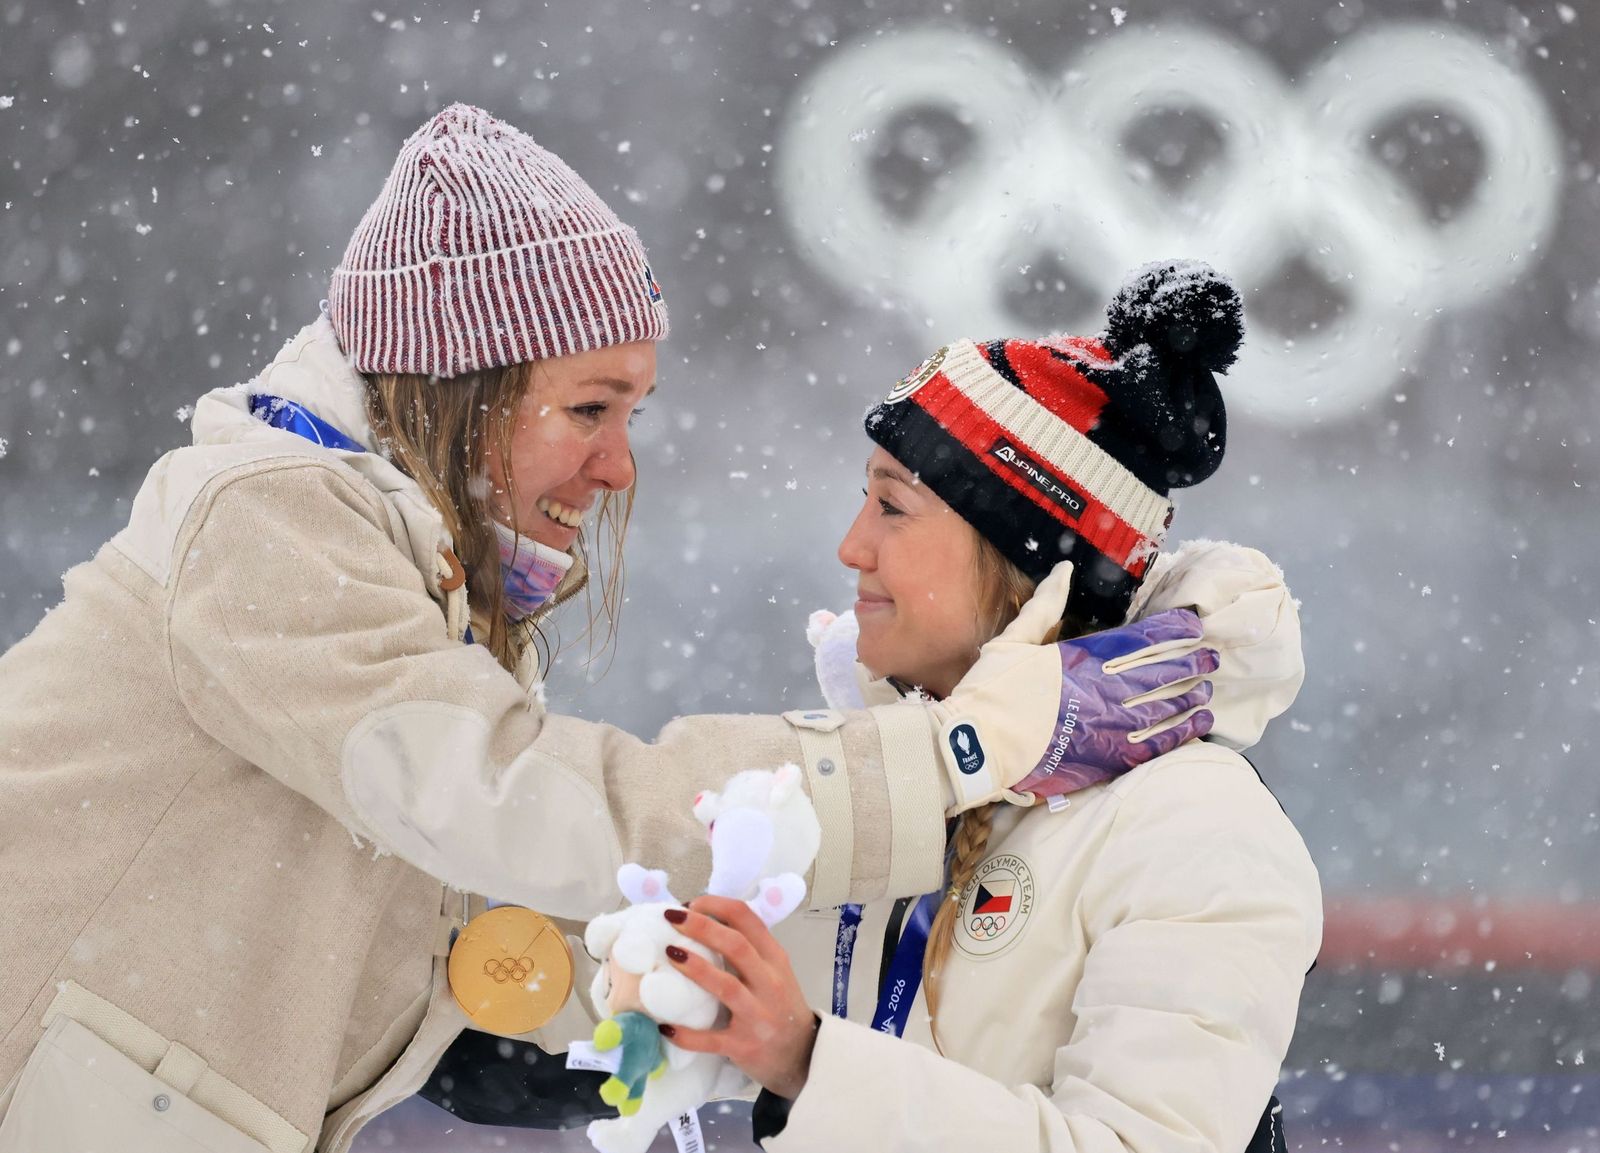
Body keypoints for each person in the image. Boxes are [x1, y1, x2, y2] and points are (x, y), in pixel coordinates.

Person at [0, 106, 1216, 1153]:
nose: (620, 465)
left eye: (631, 410)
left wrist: (639, 1008)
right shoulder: (266, 525)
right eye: (589, 406)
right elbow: (503, 798)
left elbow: (452, 892)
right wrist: (951, 754)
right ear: (456, 385)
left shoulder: (404, 567)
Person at [658, 262, 1324, 1152]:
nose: (852, 544)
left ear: (1028, 567)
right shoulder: (905, 782)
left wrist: (810, 1065)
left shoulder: (1194, 822)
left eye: (893, 506)